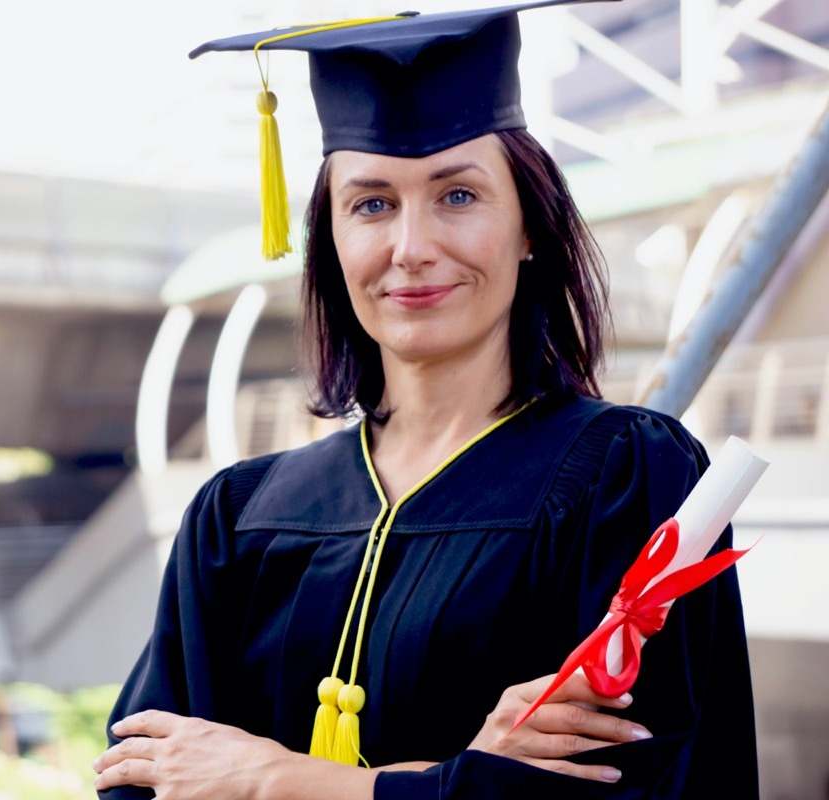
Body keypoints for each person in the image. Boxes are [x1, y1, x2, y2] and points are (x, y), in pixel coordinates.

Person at [94, 2, 758, 798]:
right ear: (331, 238)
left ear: (529, 227)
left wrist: (273, 778)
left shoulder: (624, 477)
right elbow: (140, 780)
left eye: (458, 197)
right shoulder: (236, 520)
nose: (412, 249)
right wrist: (457, 779)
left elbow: (625, 786)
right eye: (372, 204)